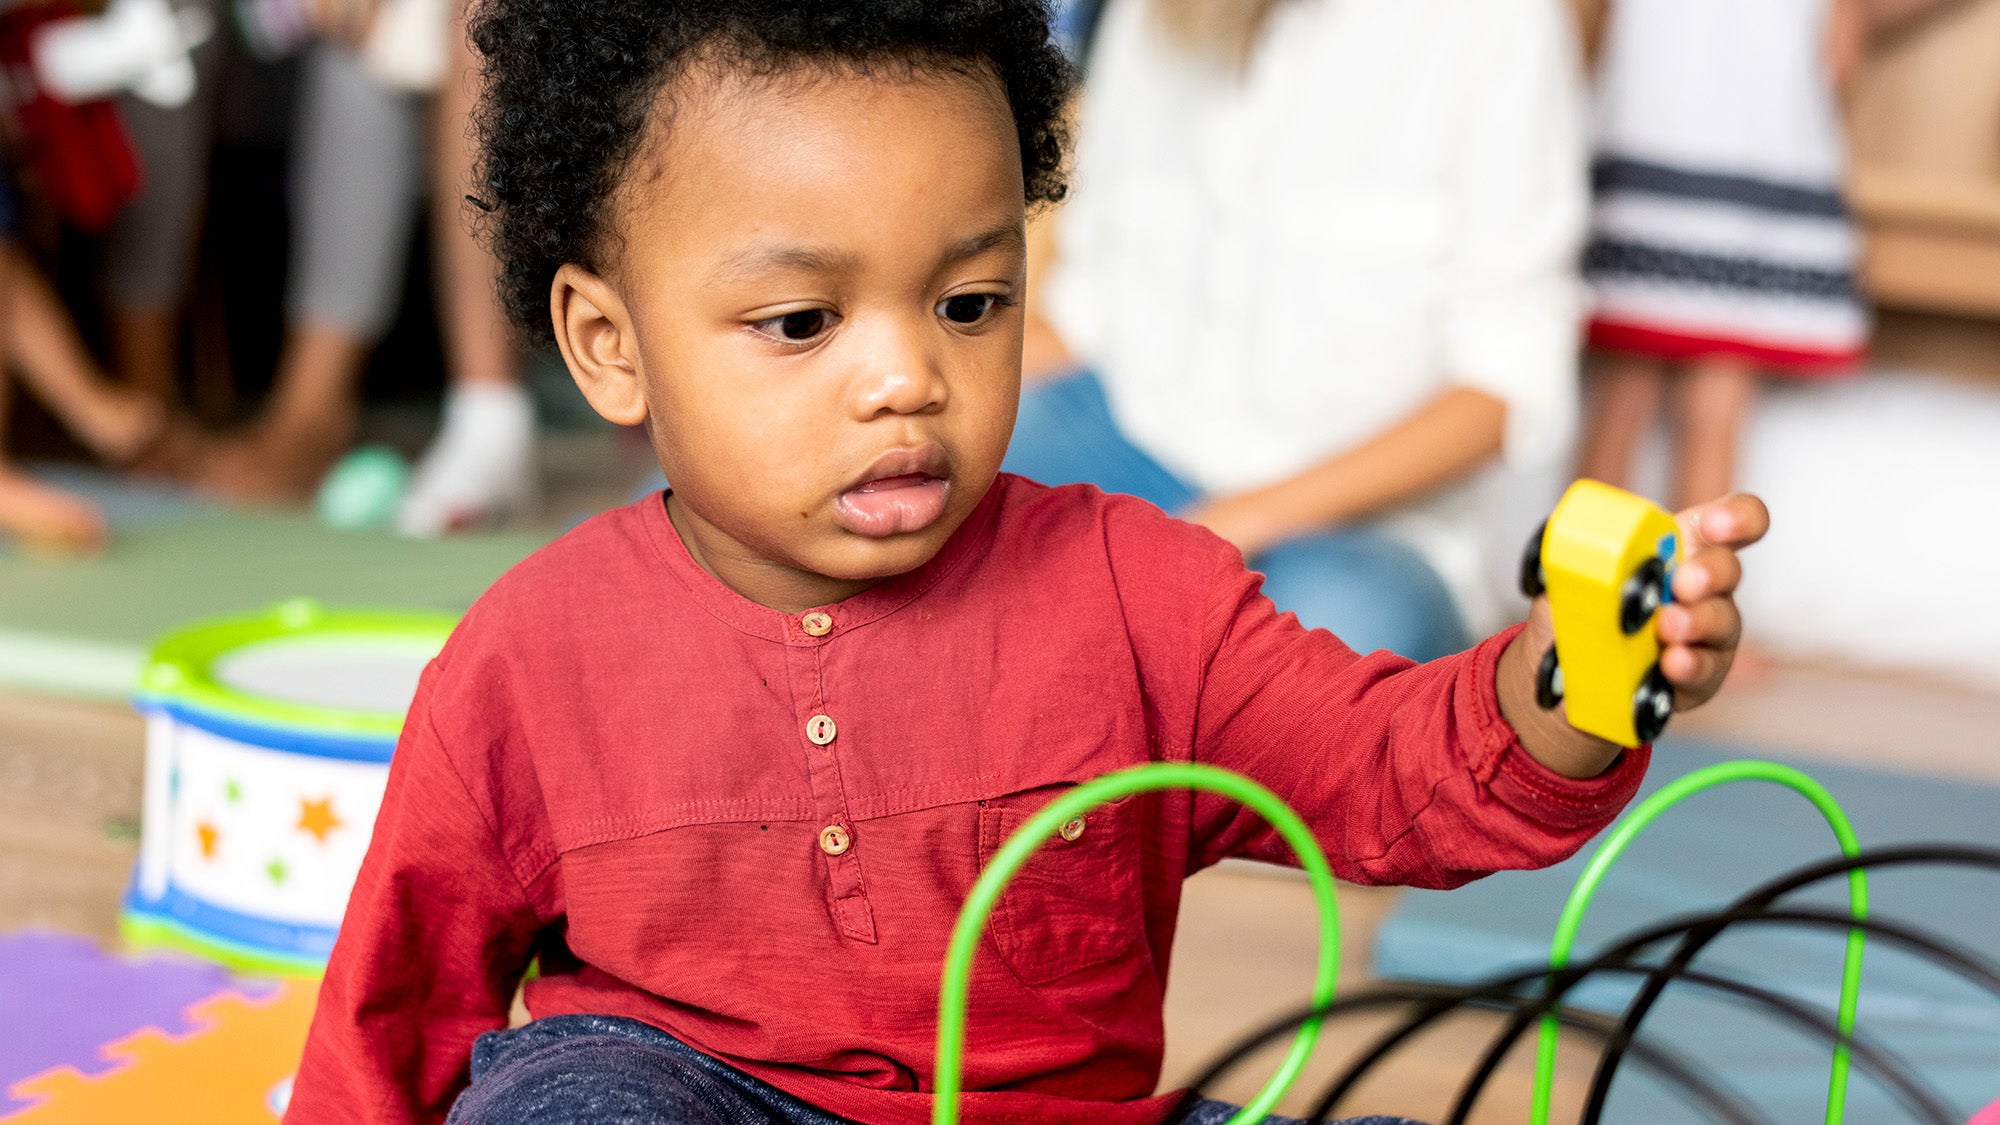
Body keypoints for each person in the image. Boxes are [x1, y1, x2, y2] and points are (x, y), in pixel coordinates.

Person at [284, 3, 1767, 1123]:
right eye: (803, 324)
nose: (907, 380)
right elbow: (397, 1007)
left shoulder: (1141, 590)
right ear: (612, 347)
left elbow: (1400, 772)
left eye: (972, 301)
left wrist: (1579, 675)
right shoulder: (529, 653)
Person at [1009, 0, 1592, 662]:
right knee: (931, 496)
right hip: (1128, 448)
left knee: (1326, 648)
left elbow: (1504, 390)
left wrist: (1239, 519)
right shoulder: (1148, 18)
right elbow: (1086, 309)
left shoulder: (1497, 26)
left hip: (1355, 531)